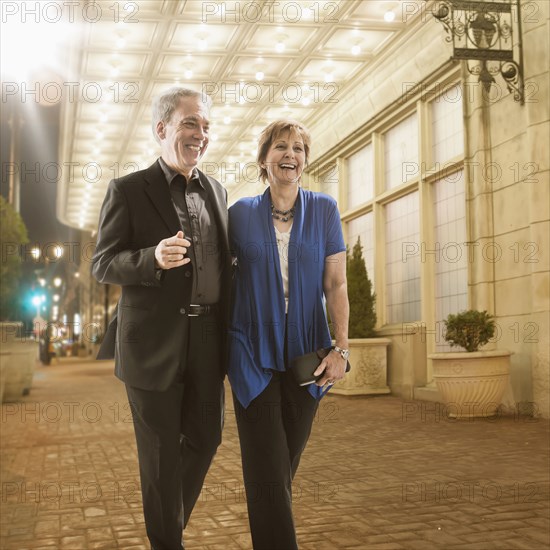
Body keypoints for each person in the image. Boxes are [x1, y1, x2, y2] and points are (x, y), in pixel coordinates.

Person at [92, 87, 231, 550]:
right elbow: (103, 263)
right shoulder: (128, 190)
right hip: (151, 344)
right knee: (158, 458)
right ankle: (168, 540)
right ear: (162, 129)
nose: (200, 134)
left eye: (206, 126)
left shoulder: (217, 191)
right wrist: (150, 257)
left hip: (207, 338)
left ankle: (167, 524)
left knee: (207, 437)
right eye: (190, 123)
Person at [228, 119, 350, 549]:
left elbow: (335, 285)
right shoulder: (239, 215)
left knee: (280, 469)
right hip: (251, 354)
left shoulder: (324, 210)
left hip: (307, 359)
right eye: (281, 147)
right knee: (267, 468)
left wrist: (341, 351)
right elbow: (218, 282)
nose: (290, 155)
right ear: (264, 160)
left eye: (298, 148)